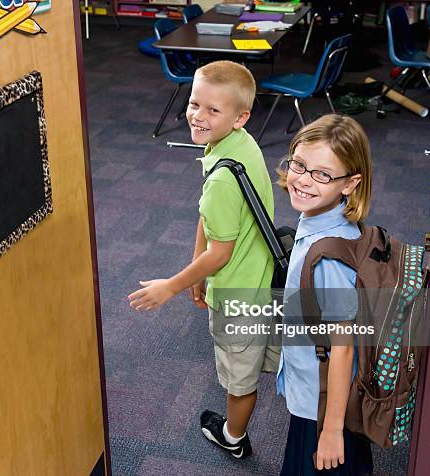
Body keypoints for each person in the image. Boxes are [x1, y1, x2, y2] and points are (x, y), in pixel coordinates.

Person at [127, 60, 276, 459]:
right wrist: (197, 263)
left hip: (242, 296)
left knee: (239, 379)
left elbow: (221, 251)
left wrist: (171, 286)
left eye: (213, 110)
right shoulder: (237, 147)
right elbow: (211, 221)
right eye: (195, 104)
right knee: (248, 362)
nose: (198, 115)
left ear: (241, 116)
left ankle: (234, 437)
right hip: (258, 276)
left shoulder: (222, 179)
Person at [276, 114, 374, 475]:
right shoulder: (322, 220)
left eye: (322, 174)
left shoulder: (329, 260)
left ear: (350, 183)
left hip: (322, 408)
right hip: (316, 393)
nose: (302, 180)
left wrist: (331, 431)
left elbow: (342, 348)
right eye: (299, 164)